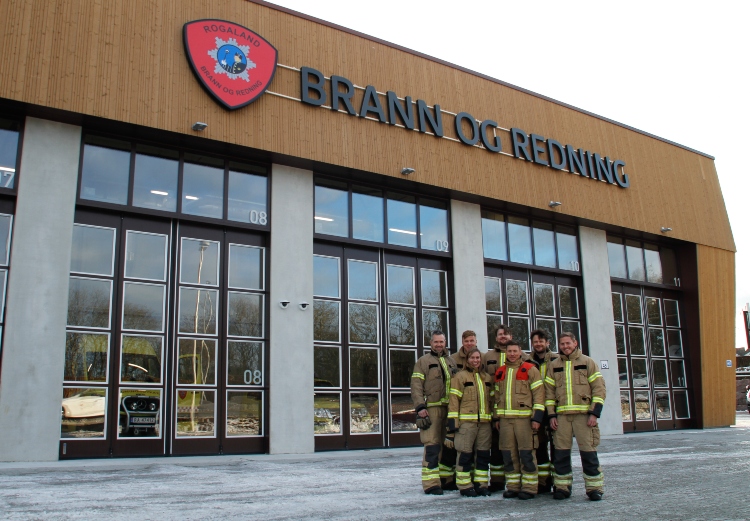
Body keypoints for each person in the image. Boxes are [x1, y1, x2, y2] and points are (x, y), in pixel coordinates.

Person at [544, 332, 606, 501]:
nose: (565, 346)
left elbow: (599, 389)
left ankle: (594, 488)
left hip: (584, 417)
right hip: (562, 418)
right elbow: (549, 394)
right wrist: (551, 415)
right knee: (561, 455)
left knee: (589, 454)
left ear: (575, 343)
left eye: (568, 343)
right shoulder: (554, 365)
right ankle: (562, 487)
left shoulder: (588, 362)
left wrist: (594, 413)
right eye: (562, 344)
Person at [492, 340, 545, 499]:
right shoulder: (500, 371)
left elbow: (539, 395)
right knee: (508, 455)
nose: (512, 354)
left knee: (526, 453)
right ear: (505, 353)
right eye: (509, 351)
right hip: (505, 421)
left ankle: (529, 487)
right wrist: (496, 418)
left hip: (525, 421)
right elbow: (496, 397)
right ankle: (513, 486)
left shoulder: (530, 369)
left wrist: (537, 418)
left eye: (515, 351)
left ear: (520, 351)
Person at [411, 330, 458, 495]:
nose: (439, 345)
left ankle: (446, 480)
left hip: (449, 409)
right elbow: (416, 386)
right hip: (431, 409)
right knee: (432, 445)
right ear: (431, 343)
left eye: (441, 342)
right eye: (436, 342)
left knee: (448, 446)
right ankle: (431, 484)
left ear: (445, 343)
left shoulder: (451, 362)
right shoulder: (423, 361)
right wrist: (420, 407)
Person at [482, 324, 528, 492]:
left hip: (518, 411)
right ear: (496, 337)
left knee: (519, 449)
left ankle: (523, 482)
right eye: (500, 334)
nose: (503, 336)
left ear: (511, 337)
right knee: (496, 447)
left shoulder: (525, 357)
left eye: (506, 334)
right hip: (495, 408)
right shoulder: (487, 356)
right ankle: (497, 481)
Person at [446, 347, 494, 497]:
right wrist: (453, 424)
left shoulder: (487, 378)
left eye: (478, 358)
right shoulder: (460, 377)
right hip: (466, 423)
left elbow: (492, 400)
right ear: (467, 360)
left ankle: (481, 484)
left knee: (483, 455)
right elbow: (454, 401)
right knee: (464, 454)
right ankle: (464, 485)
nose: (475, 360)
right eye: (472, 358)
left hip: (484, 423)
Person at [528, 328, 558, 493]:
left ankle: (560, 484)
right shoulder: (527, 361)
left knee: (557, 448)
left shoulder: (557, 360)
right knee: (539, 448)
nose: (538, 344)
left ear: (547, 342)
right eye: (535, 342)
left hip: (554, 409)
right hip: (536, 411)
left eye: (541, 341)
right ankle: (544, 483)